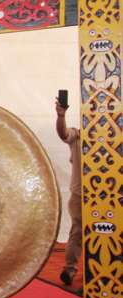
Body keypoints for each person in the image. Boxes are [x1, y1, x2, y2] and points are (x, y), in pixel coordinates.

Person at [56, 97, 82, 287]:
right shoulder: (78, 135)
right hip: (81, 194)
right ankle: (69, 269)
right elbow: (62, 132)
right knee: (78, 231)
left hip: (110, 195)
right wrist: (61, 115)